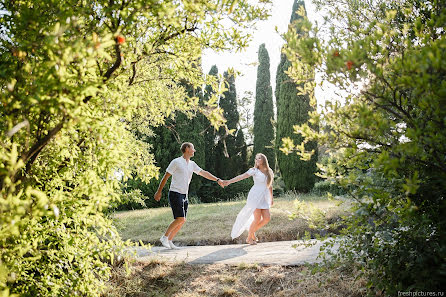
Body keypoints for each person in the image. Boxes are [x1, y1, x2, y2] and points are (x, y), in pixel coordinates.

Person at [154, 142, 224, 249]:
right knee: (180, 218)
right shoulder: (176, 162)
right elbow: (166, 177)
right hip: (175, 193)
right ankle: (164, 237)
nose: (194, 150)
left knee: (183, 220)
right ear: (187, 149)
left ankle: (170, 240)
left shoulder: (192, 164)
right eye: (193, 148)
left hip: (184, 195)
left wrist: (217, 179)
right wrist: (159, 191)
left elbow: (204, 173)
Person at [223, 153, 274, 245]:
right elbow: (242, 176)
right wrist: (229, 181)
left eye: (259, 158)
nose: (257, 160)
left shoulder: (269, 171)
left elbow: (270, 185)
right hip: (255, 195)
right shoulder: (254, 171)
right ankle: (249, 238)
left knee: (267, 218)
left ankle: (251, 232)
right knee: (257, 218)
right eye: (256, 159)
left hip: (264, 196)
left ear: (263, 160)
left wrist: (271, 198)